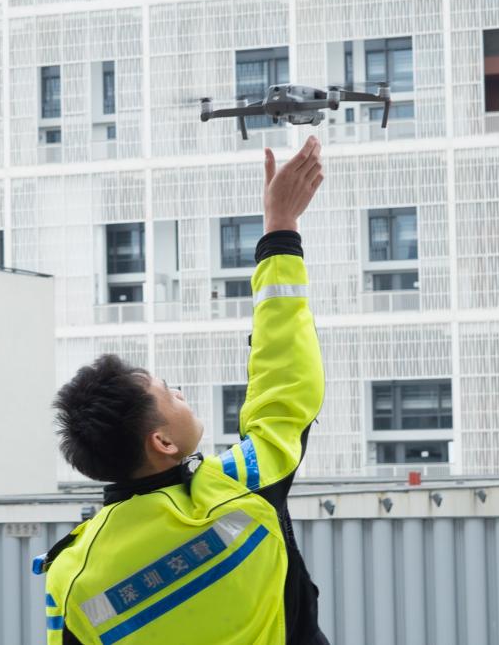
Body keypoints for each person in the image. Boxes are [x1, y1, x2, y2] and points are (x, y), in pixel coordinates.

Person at [37, 136, 328, 645]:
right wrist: (280, 229)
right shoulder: (236, 489)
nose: (182, 394)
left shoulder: (71, 575)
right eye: (170, 394)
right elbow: (285, 383)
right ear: (162, 441)